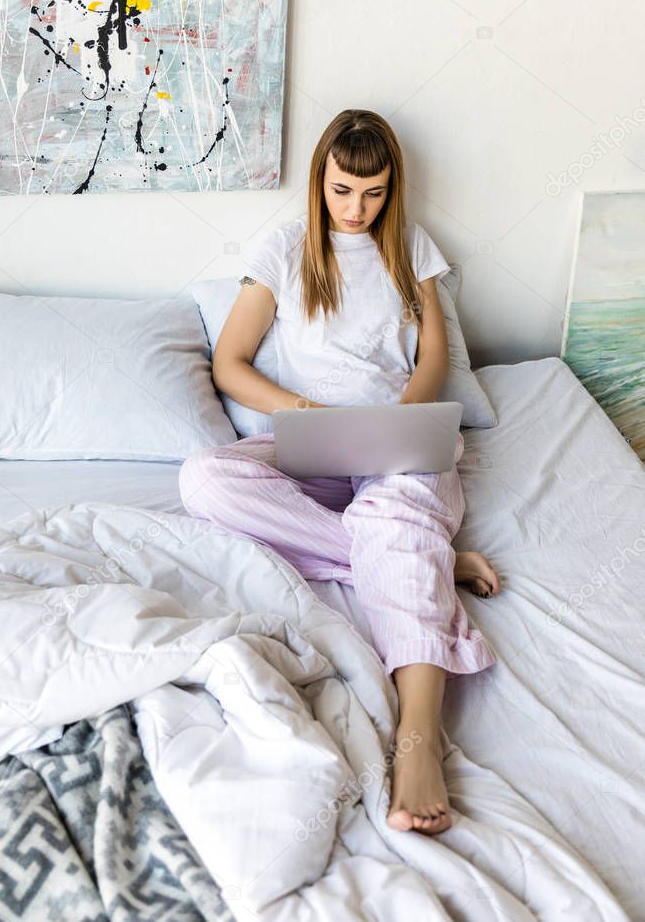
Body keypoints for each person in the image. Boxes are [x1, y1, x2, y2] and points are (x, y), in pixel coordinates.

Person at [179, 109, 500, 835]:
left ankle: (417, 741)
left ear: (393, 190)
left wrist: (400, 428)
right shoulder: (287, 249)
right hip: (314, 444)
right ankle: (426, 559)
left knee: (393, 513)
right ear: (321, 178)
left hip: (395, 448)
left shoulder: (411, 247)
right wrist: (304, 410)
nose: (357, 209)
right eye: (343, 190)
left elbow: (433, 362)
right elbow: (229, 362)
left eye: (374, 193)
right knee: (203, 478)